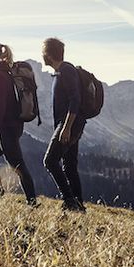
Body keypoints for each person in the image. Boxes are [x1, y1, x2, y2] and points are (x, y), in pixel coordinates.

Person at [0, 39, 37, 205]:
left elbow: (0, 106)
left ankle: (32, 202)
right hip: (11, 127)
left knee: (18, 165)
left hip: (6, 129)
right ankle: (0, 195)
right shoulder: (4, 73)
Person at [42, 37, 86, 211]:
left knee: (50, 161)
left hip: (69, 124)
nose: (42, 56)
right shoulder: (60, 72)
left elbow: (75, 99)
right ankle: (79, 204)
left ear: (49, 54)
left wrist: (66, 128)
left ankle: (69, 201)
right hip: (72, 123)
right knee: (69, 165)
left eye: (44, 52)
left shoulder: (66, 70)